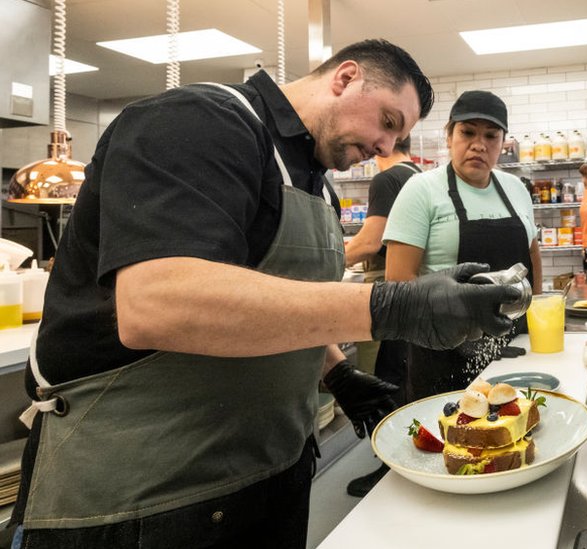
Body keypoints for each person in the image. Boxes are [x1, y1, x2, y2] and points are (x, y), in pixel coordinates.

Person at [8, 39, 520, 549]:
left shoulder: (317, 184)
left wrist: (337, 371)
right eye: (388, 122)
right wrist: (392, 306)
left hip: (274, 470)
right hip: (143, 498)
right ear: (345, 78)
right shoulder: (198, 122)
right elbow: (156, 304)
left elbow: (279, 299)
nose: (388, 149)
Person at [383, 90, 543, 401]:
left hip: (516, 348)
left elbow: (533, 256)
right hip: (444, 351)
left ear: (503, 142)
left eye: (491, 136)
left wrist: (540, 321)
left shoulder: (515, 188)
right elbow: (398, 283)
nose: (479, 144)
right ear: (449, 136)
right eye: (467, 132)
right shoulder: (422, 189)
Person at [340, 136, 420, 497]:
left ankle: (389, 470)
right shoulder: (417, 174)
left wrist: (326, 258)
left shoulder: (387, 179)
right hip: (411, 295)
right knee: (402, 381)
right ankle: (402, 463)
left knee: (379, 381)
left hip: (381, 295)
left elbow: (370, 244)